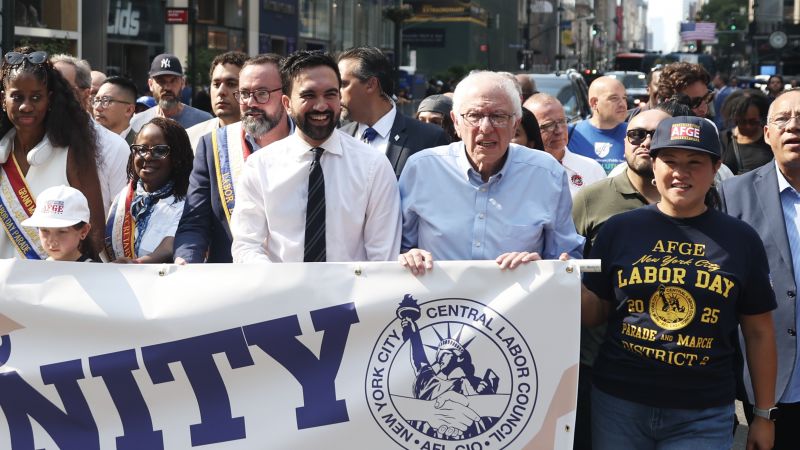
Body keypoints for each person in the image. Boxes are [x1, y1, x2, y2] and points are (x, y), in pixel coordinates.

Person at [581, 115, 777, 450]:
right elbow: (594, 312)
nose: (680, 173)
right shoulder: (619, 230)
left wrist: (762, 415)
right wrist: (556, 279)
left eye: (694, 162)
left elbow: (759, 332)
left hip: (703, 411)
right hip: (619, 404)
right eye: (669, 161)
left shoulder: (741, 240)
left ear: (716, 168)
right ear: (653, 165)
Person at [398, 71, 583, 274]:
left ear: (515, 124)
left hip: (519, 302)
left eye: (498, 116)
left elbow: (568, 257)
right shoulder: (422, 169)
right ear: (456, 122)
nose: (486, 128)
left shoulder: (547, 174)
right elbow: (396, 249)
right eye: (474, 116)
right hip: (439, 304)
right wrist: (409, 256)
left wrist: (540, 266)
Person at [230, 50, 401, 263]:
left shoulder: (373, 166)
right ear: (287, 104)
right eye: (308, 96)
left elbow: (383, 257)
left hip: (353, 294)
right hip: (279, 292)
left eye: (330, 94)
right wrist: (277, 285)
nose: (321, 106)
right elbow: (246, 245)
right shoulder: (260, 166)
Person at [569, 108, 670, 449]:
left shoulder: (698, 199)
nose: (645, 142)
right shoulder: (591, 199)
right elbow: (568, 270)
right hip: (597, 368)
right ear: (624, 142)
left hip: (676, 373)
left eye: (656, 135)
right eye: (636, 134)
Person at [719, 88, 800, 450]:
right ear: (767, 134)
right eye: (782, 120)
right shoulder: (733, 196)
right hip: (770, 389)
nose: (793, 128)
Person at [174, 54, 291, 264]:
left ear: (286, 96)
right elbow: (194, 223)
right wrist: (186, 259)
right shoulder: (214, 146)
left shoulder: (307, 144)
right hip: (232, 283)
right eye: (244, 94)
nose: (250, 103)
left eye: (262, 94)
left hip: (297, 280)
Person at [0, 47, 106, 257]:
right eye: (17, 97)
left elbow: (95, 231)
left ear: (50, 99)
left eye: (36, 97)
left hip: (57, 283)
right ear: (3, 99)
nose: (26, 106)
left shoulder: (71, 153)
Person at [337, 46, 449, 178]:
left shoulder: (429, 138)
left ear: (371, 84)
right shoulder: (338, 138)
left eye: (343, 84)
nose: (336, 92)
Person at [106, 118, 193, 264]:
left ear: (177, 156)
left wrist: (137, 264)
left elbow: (170, 246)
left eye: (159, 151)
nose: (147, 156)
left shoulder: (187, 201)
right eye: (141, 149)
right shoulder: (124, 197)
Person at [51, 54, 129, 218]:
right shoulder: (28, 139)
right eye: (48, 87)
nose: (53, 95)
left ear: (85, 94)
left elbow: (120, 218)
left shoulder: (114, 147)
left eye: (62, 88)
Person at [526, 93, 606, 196]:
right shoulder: (518, 172)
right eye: (548, 125)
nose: (559, 130)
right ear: (530, 130)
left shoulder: (591, 169)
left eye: (562, 121)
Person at [129, 54, 212, 132]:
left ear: (182, 83)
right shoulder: (136, 123)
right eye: (161, 81)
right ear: (150, 84)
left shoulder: (204, 122)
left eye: (173, 81)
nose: (167, 87)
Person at [186, 51, 248, 150]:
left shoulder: (264, 139)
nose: (221, 91)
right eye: (216, 84)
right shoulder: (191, 138)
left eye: (231, 84)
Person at [567, 76, 629, 174]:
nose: (622, 104)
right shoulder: (570, 134)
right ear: (594, 103)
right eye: (614, 98)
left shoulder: (635, 134)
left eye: (624, 98)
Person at [21, 185, 96, 261]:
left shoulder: (97, 272)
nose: (52, 241)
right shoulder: (33, 270)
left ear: (84, 231)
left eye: (62, 231)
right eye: (45, 230)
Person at [719, 89, 773, 175]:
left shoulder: (771, 138)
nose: (748, 126)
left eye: (753, 121)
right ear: (735, 119)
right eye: (742, 122)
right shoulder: (724, 139)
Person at [93, 76, 138, 144]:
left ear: (129, 110)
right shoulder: (87, 143)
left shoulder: (140, 147)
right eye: (96, 100)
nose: (97, 108)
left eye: (106, 101)